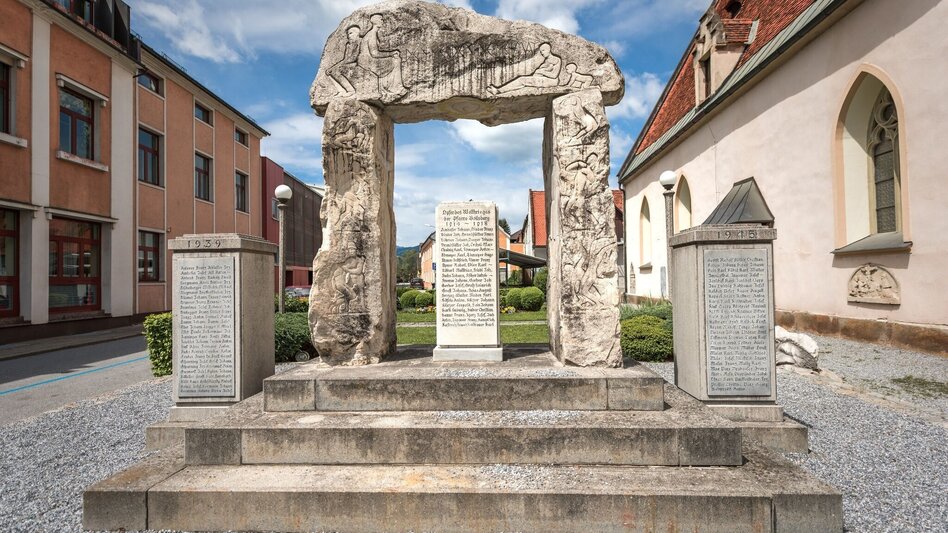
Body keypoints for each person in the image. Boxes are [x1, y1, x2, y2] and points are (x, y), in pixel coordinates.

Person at [357, 14, 408, 99]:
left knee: (395, 58)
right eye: (381, 19)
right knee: (396, 60)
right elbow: (374, 53)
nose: (382, 21)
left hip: (368, 60)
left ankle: (391, 86)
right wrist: (391, 53)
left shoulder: (373, 33)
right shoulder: (372, 34)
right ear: (376, 21)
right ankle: (394, 88)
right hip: (368, 61)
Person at [487, 43, 562, 96]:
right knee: (522, 80)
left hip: (552, 81)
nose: (541, 53)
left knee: (521, 80)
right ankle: (499, 90)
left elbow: (554, 75)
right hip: (542, 79)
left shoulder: (556, 59)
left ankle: (498, 91)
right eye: (541, 51)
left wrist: (541, 71)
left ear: (549, 49)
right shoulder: (546, 60)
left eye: (543, 50)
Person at [327, 25, 362, 97]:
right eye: (348, 34)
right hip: (348, 63)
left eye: (351, 33)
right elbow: (345, 58)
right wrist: (333, 67)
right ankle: (341, 90)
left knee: (336, 71)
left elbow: (354, 57)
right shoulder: (348, 44)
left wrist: (338, 66)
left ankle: (351, 90)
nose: (349, 36)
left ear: (357, 33)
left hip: (357, 63)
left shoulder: (360, 41)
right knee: (329, 72)